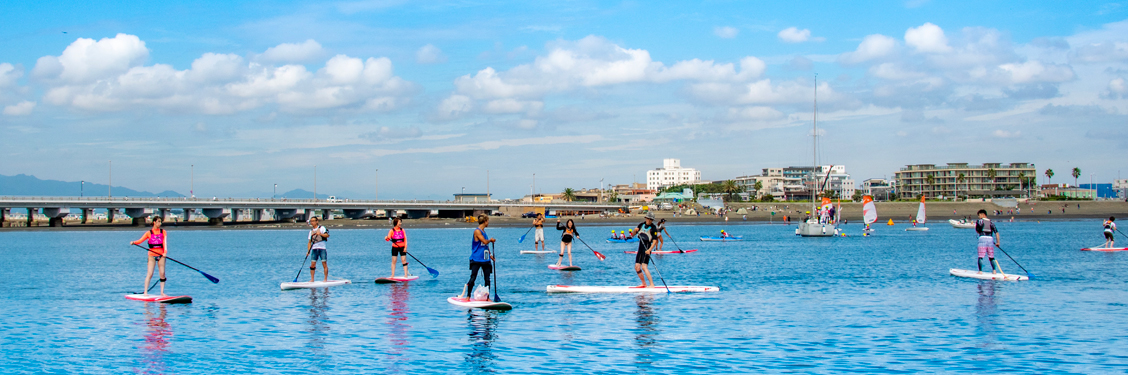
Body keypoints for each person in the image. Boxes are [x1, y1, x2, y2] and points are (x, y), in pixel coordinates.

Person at [457, 214, 496, 300]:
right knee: (473, 277)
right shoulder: (477, 231)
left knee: (487, 279)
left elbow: (485, 246)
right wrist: (490, 240)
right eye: (488, 221)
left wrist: (490, 255)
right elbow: (485, 242)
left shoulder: (485, 232)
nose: (488, 223)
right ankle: (468, 296)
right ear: (485, 221)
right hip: (476, 258)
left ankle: (487, 297)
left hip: (485, 259)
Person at [130, 216, 168, 296]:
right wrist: (134, 242)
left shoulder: (163, 232)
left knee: (162, 273)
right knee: (150, 273)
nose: (160, 223)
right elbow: (140, 241)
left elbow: (165, 243)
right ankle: (145, 292)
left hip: (161, 255)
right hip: (151, 255)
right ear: (154, 222)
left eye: (161, 222)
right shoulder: (149, 233)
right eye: (158, 221)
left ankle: (162, 292)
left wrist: (165, 252)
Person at [631, 213, 659, 288]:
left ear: (652, 220)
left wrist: (650, 250)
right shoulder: (641, 225)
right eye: (647, 218)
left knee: (644, 267)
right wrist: (634, 231)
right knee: (637, 267)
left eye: (650, 219)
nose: (648, 220)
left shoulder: (653, 228)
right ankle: (644, 283)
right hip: (640, 248)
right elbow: (632, 235)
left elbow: (654, 241)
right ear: (646, 218)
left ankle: (652, 284)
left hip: (647, 248)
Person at [974, 209, 1000, 274]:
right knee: (991, 256)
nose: (979, 217)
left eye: (979, 215)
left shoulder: (979, 221)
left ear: (983, 214)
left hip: (982, 238)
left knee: (981, 256)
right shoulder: (991, 222)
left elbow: (978, 230)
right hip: (990, 239)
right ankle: (994, 270)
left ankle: (980, 271)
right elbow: (996, 232)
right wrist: (998, 242)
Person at [306, 216, 330, 282]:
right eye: (311, 221)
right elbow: (309, 242)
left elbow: (327, 235)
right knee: (312, 264)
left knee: (324, 263)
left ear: (317, 221)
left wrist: (320, 234)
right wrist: (308, 251)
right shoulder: (311, 231)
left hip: (322, 248)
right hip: (314, 249)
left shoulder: (322, 228)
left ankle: (325, 279)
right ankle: (312, 279)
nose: (312, 222)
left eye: (313, 221)